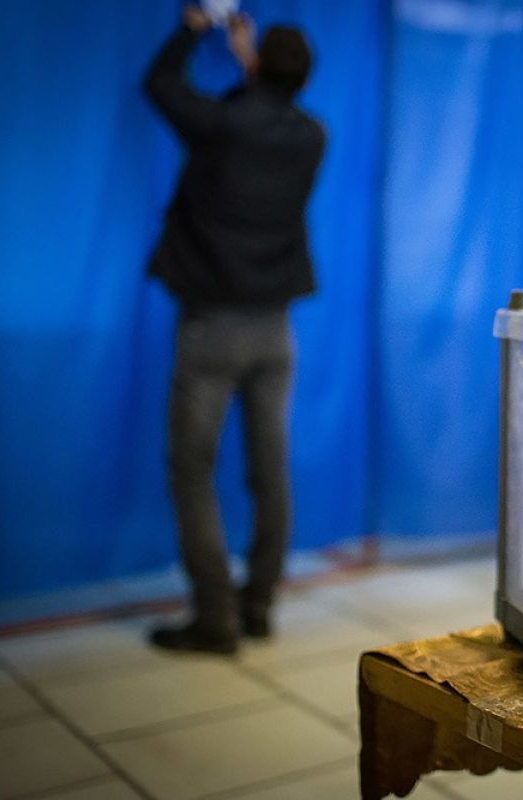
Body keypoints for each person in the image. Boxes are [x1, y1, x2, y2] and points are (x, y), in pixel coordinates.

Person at [143, 6, 326, 654]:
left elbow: (160, 84)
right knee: (269, 473)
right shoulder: (311, 136)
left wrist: (195, 27)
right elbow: (267, 109)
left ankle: (214, 617)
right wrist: (254, 65)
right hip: (275, 332)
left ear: (256, 70)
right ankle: (258, 606)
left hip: (212, 329)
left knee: (192, 470)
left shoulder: (222, 125)